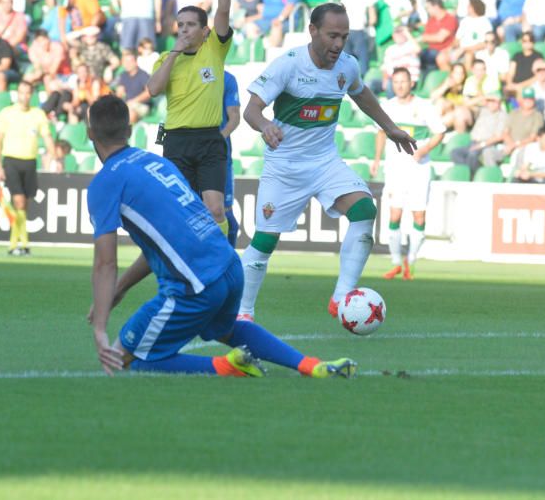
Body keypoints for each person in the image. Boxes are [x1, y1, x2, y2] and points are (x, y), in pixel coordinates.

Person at [85, 95, 356, 379]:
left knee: (125, 357)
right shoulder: (155, 162)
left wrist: (100, 328)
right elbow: (164, 243)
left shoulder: (104, 184)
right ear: (129, 130)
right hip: (229, 267)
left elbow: (105, 263)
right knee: (226, 329)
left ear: (90, 133)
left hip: (195, 286)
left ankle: (228, 367)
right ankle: (311, 366)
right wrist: (120, 288)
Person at [237, 2, 416, 321]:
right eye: (332, 36)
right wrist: (265, 126)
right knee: (264, 242)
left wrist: (390, 128)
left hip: (324, 162)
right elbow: (251, 109)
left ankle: (341, 298)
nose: (338, 44)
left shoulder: (347, 66)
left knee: (365, 210)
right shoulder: (288, 65)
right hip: (285, 167)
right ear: (313, 30)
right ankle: (243, 313)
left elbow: (361, 94)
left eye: (344, 37)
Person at [147, 0, 234, 234]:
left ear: (204, 30)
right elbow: (153, 90)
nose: (184, 29)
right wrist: (174, 52)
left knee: (215, 208)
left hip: (209, 140)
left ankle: (220, 260)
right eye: (180, 25)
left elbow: (223, 10)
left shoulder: (214, 50)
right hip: (176, 141)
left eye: (190, 25)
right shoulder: (164, 58)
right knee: (180, 209)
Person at [371, 67, 445, 281]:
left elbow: (439, 132)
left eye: (403, 81)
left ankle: (410, 261)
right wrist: (376, 160)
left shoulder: (424, 107)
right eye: (396, 82)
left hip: (418, 169)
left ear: (411, 83)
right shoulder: (387, 107)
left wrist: (424, 149)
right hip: (395, 168)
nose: (400, 85)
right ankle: (395, 262)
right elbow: (380, 132)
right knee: (394, 214)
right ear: (392, 84)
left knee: (418, 215)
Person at [0, 80, 56, 257]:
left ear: (32, 94)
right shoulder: (7, 113)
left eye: (28, 93)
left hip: (30, 162)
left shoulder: (38, 114)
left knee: (25, 205)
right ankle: (19, 243)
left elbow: (47, 137)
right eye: (21, 92)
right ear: (17, 94)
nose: (24, 96)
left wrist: (55, 157)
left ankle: (19, 244)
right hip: (11, 160)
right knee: (19, 201)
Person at [221, 71, 240, 247]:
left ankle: (230, 265)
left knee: (226, 218)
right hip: (191, 153)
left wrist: (218, 140)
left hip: (219, 156)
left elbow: (234, 116)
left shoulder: (227, 79)